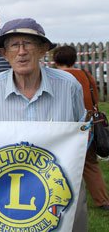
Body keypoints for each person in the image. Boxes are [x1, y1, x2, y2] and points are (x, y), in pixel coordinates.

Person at [0, 18, 87, 230]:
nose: (21, 52)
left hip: (61, 184)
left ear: (42, 50)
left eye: (28, 43)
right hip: (6, 188)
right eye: (14, 45)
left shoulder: (68, 86)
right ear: (4, 53)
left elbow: (79, 132)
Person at [53, 45, 109, 211]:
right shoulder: (86, 74)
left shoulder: (57, 77)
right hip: (88, 123)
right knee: (91, 164)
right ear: (74, 59)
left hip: (66, 126)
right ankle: (103, 201)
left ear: (55, 60)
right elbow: (95, 99)